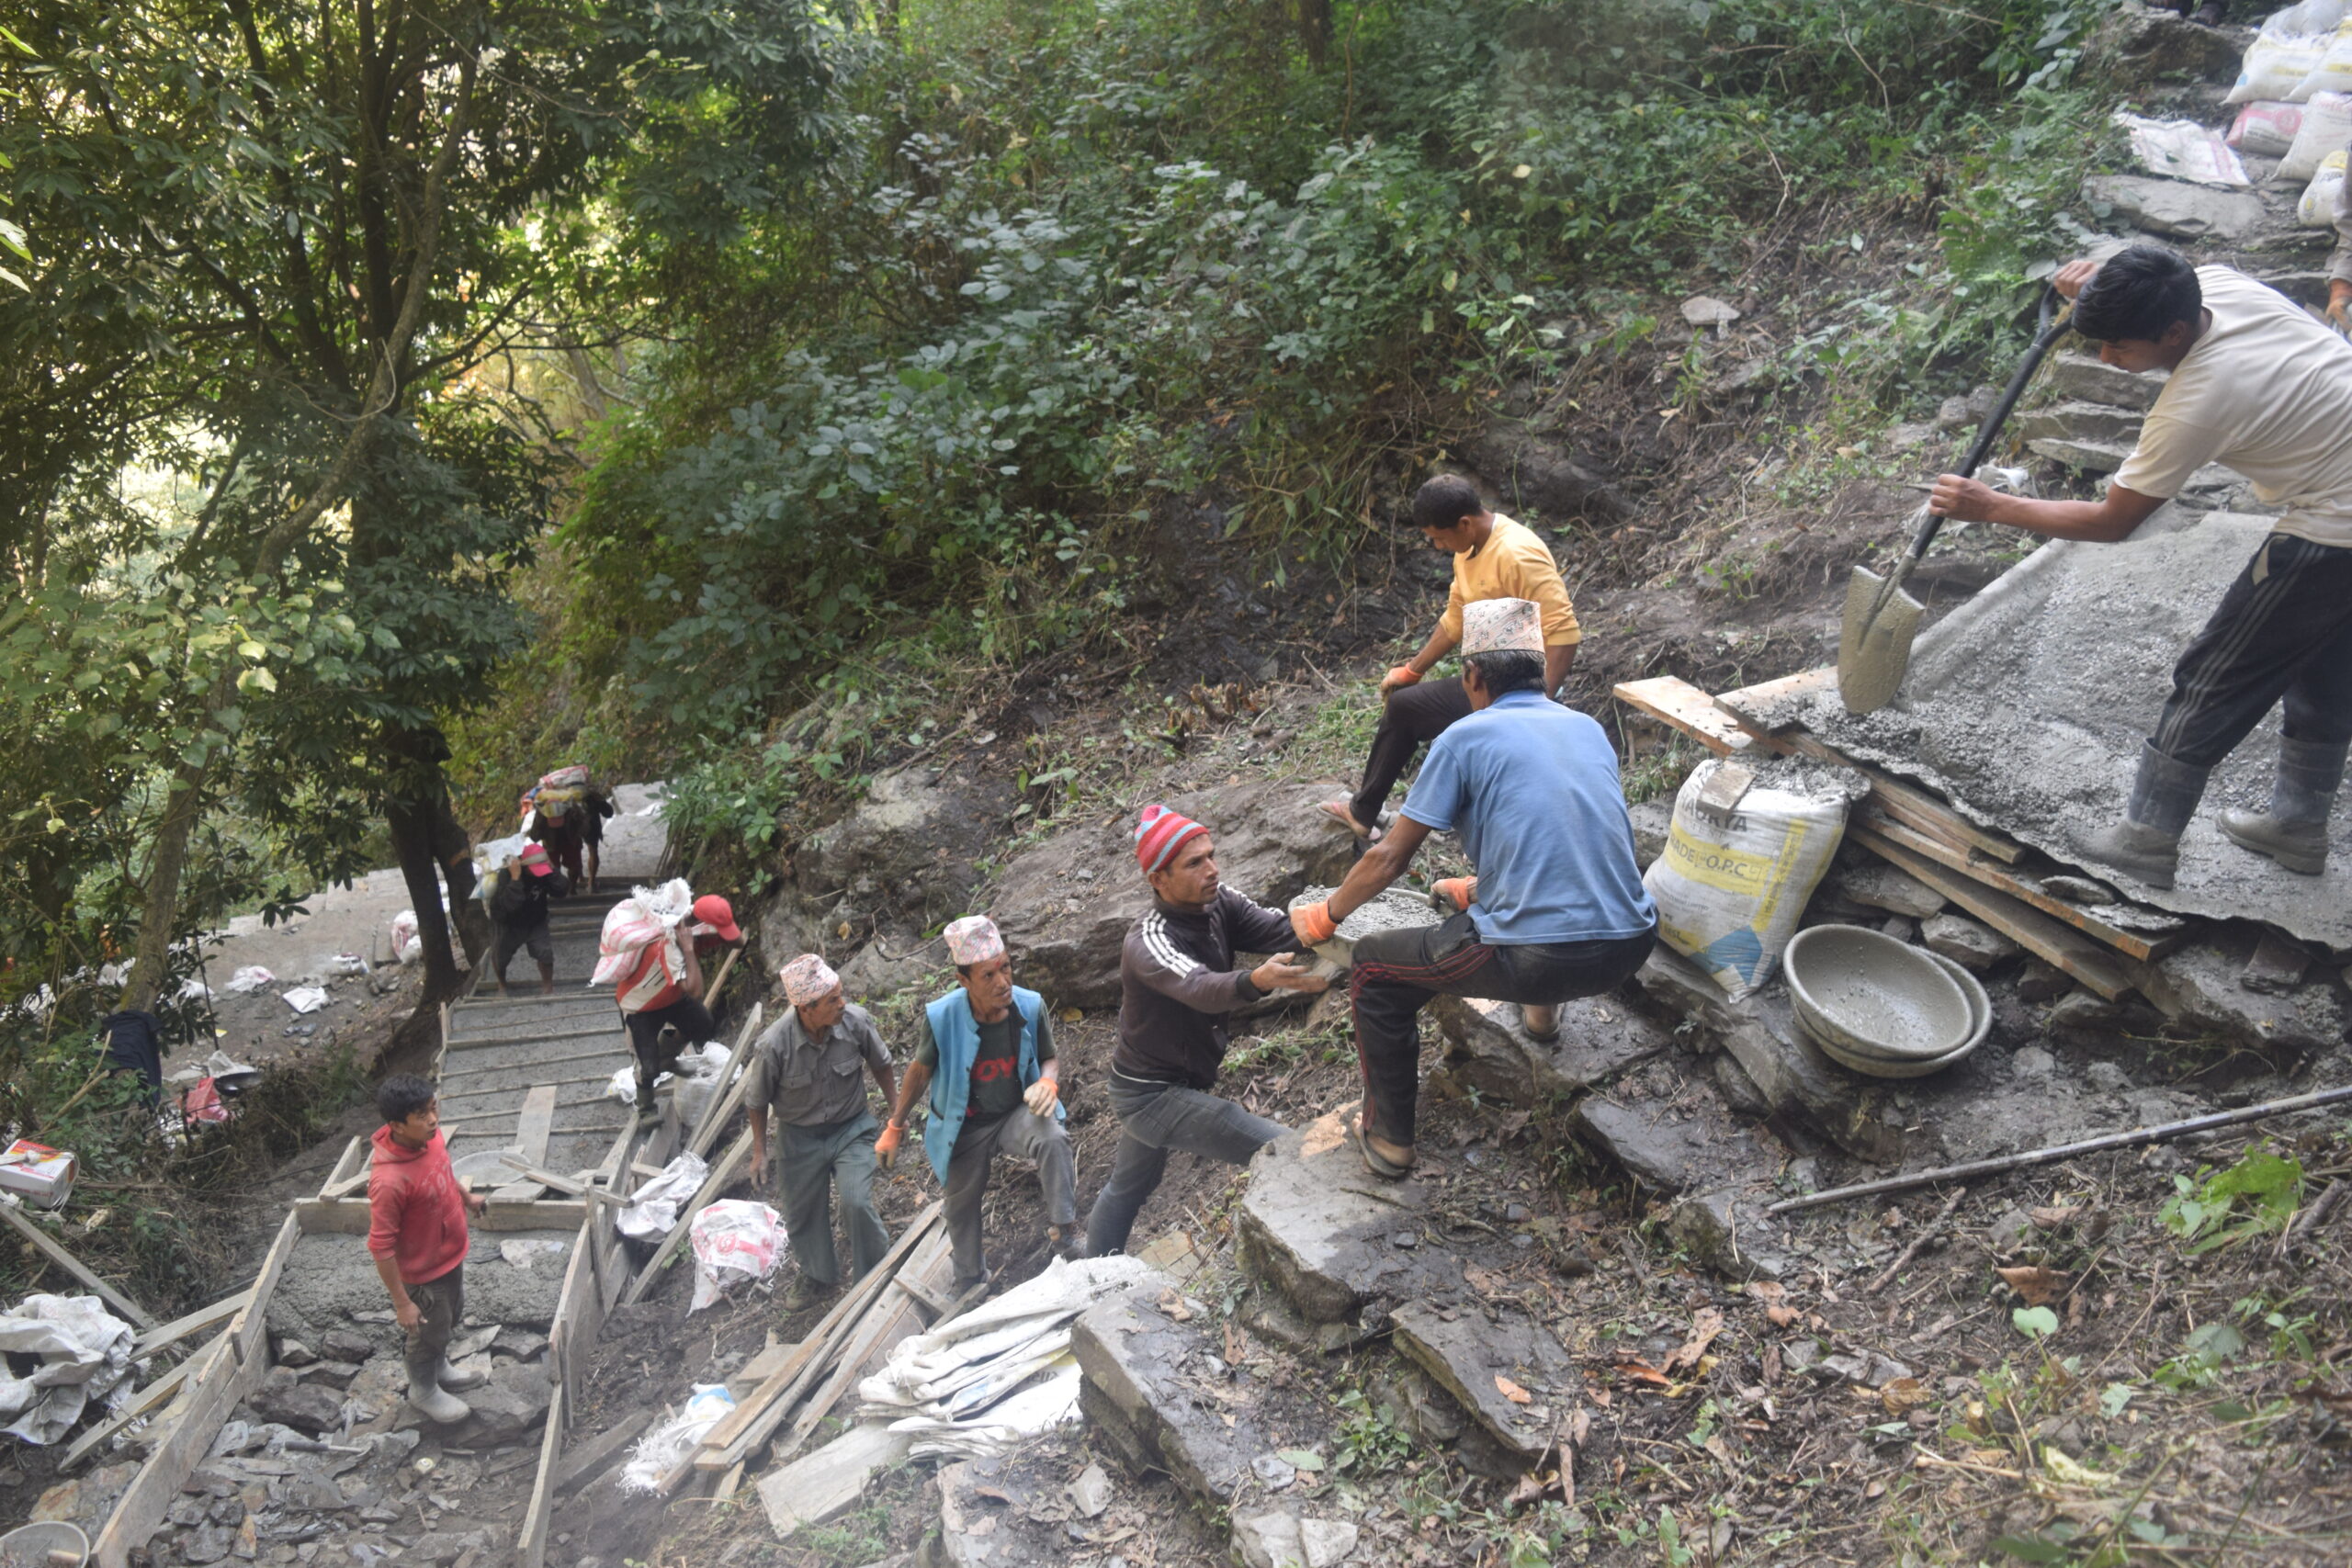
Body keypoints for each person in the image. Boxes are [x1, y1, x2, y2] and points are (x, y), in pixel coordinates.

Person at [1928, 244, 2352, 889]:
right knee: (2323, 664)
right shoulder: (2214, 286)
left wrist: (1992, 506)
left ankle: (2145, 842)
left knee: (2216, 671)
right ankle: (2297, 827)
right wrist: (2096, 275)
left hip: (2338, 524)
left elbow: (2114, 520)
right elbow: (2160, 265)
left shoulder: (2199, 399)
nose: (2106, 359)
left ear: (2173, 333)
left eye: (2118, 347)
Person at [1292, 599, 1658, 1180]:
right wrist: (1486, 887)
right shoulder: (1586, 729)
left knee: (1373, 972)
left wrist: (1326, 915)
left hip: (1537, 957)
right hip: (1633, 942)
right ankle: (1542, 1024)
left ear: (1472, 678)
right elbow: (1566, 840)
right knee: (1537, 917)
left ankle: (1388, 1141)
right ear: (1539, 673)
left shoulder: (1465, 736)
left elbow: (1388, 857)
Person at [1083, 806, 1329, 1258]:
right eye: (1194, 863)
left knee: (1128, 1187)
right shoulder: (1148, 939)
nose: (1212, 869)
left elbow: (1280, 930)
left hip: (1171, 1081)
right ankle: (1321, 1241)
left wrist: (1337, 915)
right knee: (1281, 1148)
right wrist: (1256, 981)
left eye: (1211, 855)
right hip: (1149, 1094)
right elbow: (1198, 987)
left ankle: (1091, 1266)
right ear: (1158, 878)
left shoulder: (1220, 902)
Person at [1321, 474, 1582, 841]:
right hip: (1483, 683)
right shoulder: (1468, 550)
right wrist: (1412, 670)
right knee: (1405, 706)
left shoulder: (1517, 554)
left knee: (1490, 775)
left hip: (1521, 689)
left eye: (1440, 537)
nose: (1437, 546)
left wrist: (1540, 705)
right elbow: (1455, 619)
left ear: (1465, 523)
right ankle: (1364, 813)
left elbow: (1564, 632)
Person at [876, 916, 1075, 1292]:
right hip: (965, 1124)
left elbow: (1049, 1056)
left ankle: (1065, 1235)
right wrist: (895, 1126)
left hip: (1016, 1113)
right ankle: (969, 1279)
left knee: (1051, 1136)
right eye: (988, 976)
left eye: (1006, 968)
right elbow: (919, 1072)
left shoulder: (1030, 1007)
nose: (1003, 982)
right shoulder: (942, 1016)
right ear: (963, 980)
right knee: (959, 1204)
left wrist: (1048, 1080)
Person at [744, 954, 898, 1313]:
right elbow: (756, 1101)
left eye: (841, 995)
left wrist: (896, 1118)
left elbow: (882, 1064)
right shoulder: (774, 1045)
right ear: (806, 1009)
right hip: (799, 1138)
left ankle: (874, 1272)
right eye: (833, 1000)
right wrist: (759, 1151)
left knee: (856, 1201)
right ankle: (817, 1274)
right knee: (802, 1213)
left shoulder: (854, 1022)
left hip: (851, 1128)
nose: (842, 1004)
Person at [367, 1074, 489, 1424]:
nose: (433, 1120)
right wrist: (402, 1302)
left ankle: (441, 1368)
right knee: (426, 1331)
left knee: (449, 1316)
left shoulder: (431, 1141)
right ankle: (423, 1390)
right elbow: (381, 1246)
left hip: (449, 1255)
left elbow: (445, 1175)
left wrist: (467, 1199)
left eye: (432, 1109)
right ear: (397, 1125)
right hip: (422, 1274)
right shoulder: (389, 1183)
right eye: (420, 1115)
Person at [616, 894, 742, 1122]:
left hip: (671, 997)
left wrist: (722, 928)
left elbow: (737, 941)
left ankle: (667, 1058)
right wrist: (689, 949)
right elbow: (695, 991)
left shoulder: (694, 929)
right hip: (640, 1005)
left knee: (702, 1023)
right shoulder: (668, 944)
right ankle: (646, 1110)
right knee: (647, 1064)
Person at [488, 842, 568, 996]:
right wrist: (516, 879)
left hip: (535, 919)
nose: (539, 874)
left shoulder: (546, 873)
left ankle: (548, 987)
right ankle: (502, 985)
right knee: (500, 956)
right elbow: (508, 905)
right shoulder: (506, 875)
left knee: (545, 952)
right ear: (524, 866)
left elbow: (562, 890)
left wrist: (552, 870)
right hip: (508, 922)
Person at [580, 784, 619, 895]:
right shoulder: (592, 796)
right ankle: (591, 883)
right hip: (591, 825)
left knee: (574, 851)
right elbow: (608, 813)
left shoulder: (567, 795)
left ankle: (579, 878)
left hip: (573, 825)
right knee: (593, 852)